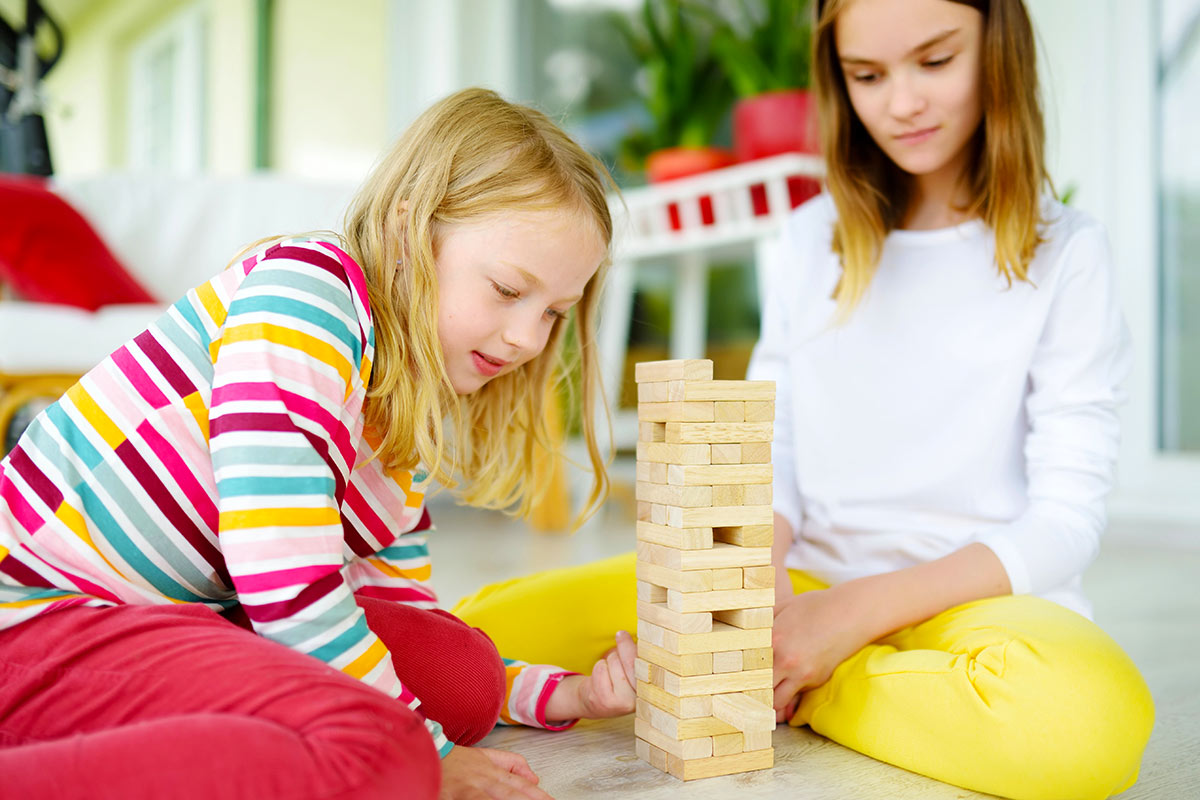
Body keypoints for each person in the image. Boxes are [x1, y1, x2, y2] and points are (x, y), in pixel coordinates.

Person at [451, 1, 1155, 798]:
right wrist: (757, 566)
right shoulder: (808, 237)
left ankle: (819, 684)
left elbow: (1065, 522)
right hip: (800, 584)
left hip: (975, 609)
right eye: (867, 75)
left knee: (1080, 727)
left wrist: (844, 623)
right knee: (463, 639)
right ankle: (796, 663)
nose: (901, 103)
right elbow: (776, 439)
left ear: (1001, 51)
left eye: (934, 61)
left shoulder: (1069, 254)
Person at [0, 88, 638, 800]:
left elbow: (405, 611)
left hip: (179, 615)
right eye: (506, 290)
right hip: (33, 620)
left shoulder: (399, 401)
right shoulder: (308, 296)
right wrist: (429, 753)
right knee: (385, 756)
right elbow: (286, 582)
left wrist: (569, 697)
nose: (527, 338)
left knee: (461, 676)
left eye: (553, 312)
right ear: (409, 234)